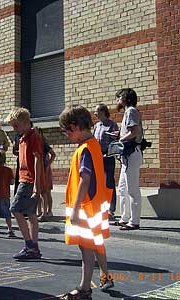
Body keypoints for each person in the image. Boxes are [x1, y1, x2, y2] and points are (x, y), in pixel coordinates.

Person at [59, 106, 114, 300]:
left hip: (86, 208)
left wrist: (74, 209)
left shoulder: (85, 150)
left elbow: (85, 179)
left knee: (86, 248)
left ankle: (84, 289)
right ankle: (106, 277)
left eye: (66, 131)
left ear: (74, 127)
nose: (66, 136)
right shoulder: (94, 145)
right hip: (96, 205)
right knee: (97, 242)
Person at [6, 107, 44, 259]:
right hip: (23, 178)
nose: (14, 129)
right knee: (31, 214)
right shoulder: (22, 138)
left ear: (26, 122)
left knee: (15, 209)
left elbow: (38, 160)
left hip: (28, 180)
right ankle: (34, 248)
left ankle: (29, 245)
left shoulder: (33, 136)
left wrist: (36, 183)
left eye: (16, 125)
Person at [115, 88, 143, 230]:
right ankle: (125, 217)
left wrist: (120, 138)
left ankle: (134, 221)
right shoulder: (128, 112)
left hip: (132, 153)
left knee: (132, 189)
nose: (117, 100)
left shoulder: (131, 110)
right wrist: (119, 134)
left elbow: (135, 131)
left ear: (126, 98)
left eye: (119, 97)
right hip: (127, 156)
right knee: (122, 188)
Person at [93, 104, 119, 220]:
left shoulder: (112, 124)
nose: (95, 114)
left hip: (108, 157)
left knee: (109, 183)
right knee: (99, 184)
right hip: (98, 157)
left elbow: (117, 140)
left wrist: (115, 136)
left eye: (97, 111)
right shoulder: (97, 126)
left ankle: (111, 209)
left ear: (103, 112)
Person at [36, 127, 56, 222]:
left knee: (47, 191)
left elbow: (53, 154)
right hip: (39, 169)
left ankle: (49, 211)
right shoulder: (35, 143)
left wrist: (48, 164)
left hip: (45, 169)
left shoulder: (44, 143)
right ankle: (39, 211)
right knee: (39, 192)